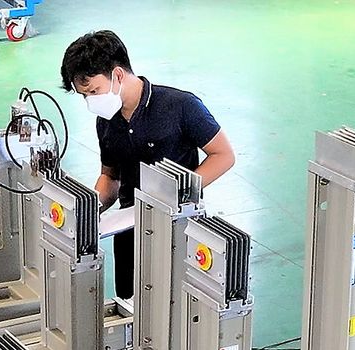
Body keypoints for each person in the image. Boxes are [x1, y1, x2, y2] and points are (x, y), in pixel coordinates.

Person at [60, 30, 235, 300]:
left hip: (177, 230)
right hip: (129, 231)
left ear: (118, 75)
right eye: (84, 96)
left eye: (93, 91)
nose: (90, 101)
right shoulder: (106, 120)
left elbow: (223, 155)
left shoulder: (181, 106)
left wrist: (179, 193)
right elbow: (110, 177)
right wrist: (87, 210)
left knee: (173, 306)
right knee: (131, 305)